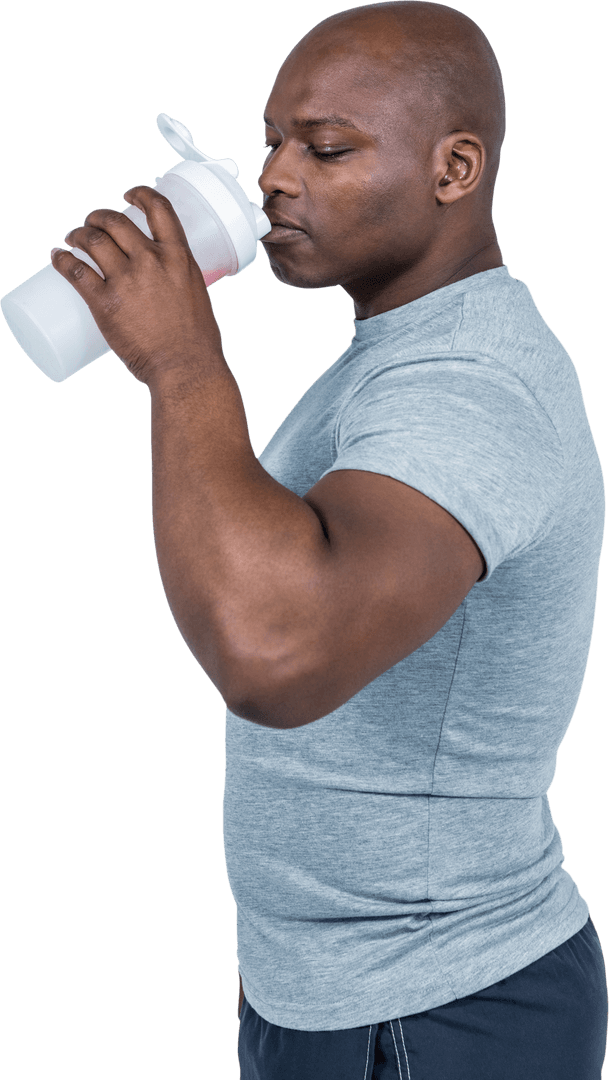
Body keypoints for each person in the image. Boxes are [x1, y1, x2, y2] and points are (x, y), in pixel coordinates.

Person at [49, 1, 608, 1076]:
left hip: (441, 1008)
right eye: (271, 141)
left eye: (327, 147)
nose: (273, 180)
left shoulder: (469, 383)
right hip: (343, 1001)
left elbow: (275, 655)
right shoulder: (392, 357)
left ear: (455, 171)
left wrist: (181, 364)